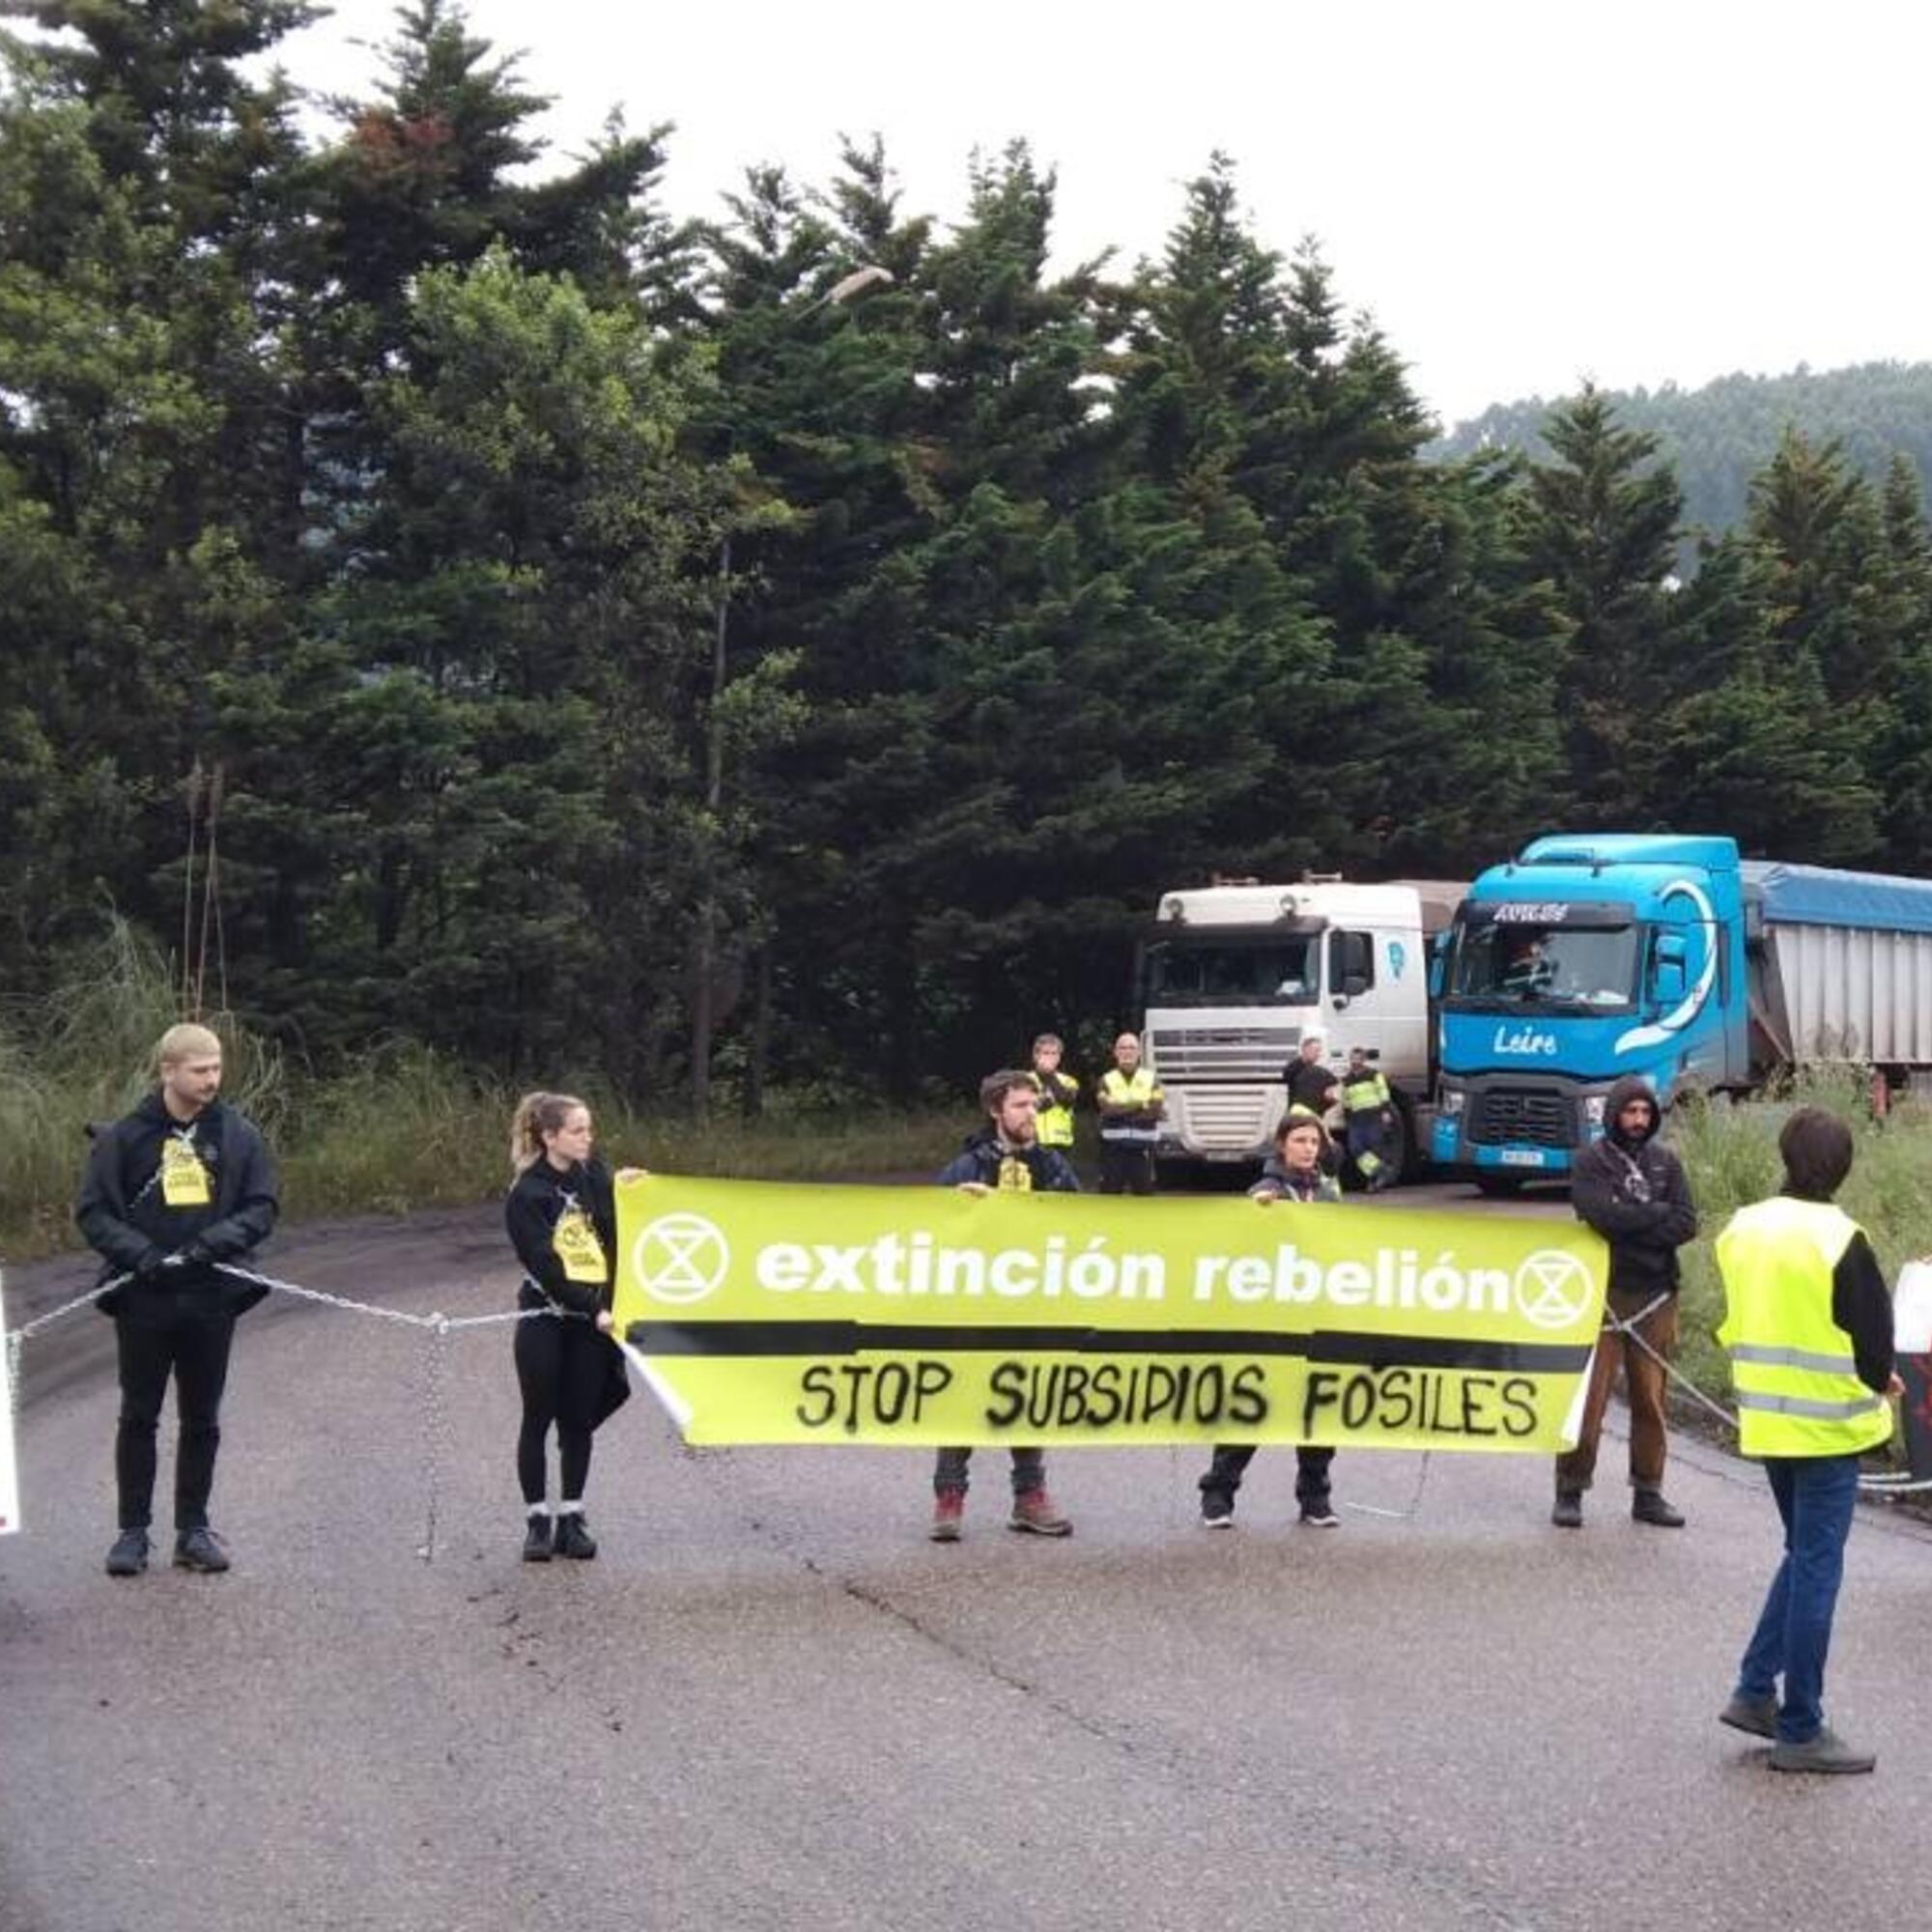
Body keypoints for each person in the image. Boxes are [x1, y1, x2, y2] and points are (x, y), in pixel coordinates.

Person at [1715, 1106, 1897, 1775]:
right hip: (1828, 1427)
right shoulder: (1840, 1238)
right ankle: (1801, 1726)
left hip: (1767, 1420)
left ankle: (1755, 1691)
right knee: (1818, 1568)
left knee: (1801, 1556)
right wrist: (1885, 1382)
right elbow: (1875, 1348)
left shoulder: (1744, 1228)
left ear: (1787, 1156)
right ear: (1843, 1166)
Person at [77, 1022, 279, 1577]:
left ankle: (192, 1529)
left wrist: (213, 1245)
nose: (212, 1079)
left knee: (202, 1417)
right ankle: (132, 1533)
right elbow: (92, 1212)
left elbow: (262, 1207)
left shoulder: (237, 1135)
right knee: (139, 1414)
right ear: (169, 1071)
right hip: (144, 1297)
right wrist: (139, 1253)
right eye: (200, 1069)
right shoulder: (125, 1137)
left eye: (216, 1068)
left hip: (211, 1294)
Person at [930, 1070, 1079, 1542]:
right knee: (964, 1396)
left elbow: (1083, 1221)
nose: (1030, 1114)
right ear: (996, 1110)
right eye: (1020, 1106)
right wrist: (964, 1209)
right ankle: (949, 1497)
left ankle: (1029, 1498)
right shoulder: (966, 1166)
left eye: (1034, 1106)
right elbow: (930, 1227)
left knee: (1027, 1394)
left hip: (1034, 1300)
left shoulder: (1053, 1166)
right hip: (976, 1304)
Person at [1552, 1075, 1698, 1529]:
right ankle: (1571, 1487)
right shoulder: (1590, 1163)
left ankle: (1649, 1490)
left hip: (1656, 1295)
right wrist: (1652, 1218)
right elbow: (1600, 1215)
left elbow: (1686, 1222)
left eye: (1643, 1113)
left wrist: (1636, 1226)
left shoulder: (1666, 1163)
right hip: (1602, 1295)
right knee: (1590, 1399)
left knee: (1650, 1398)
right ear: (1614, 1113)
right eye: (1629, 1112)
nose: (1636, 1121)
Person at [1197, 1113, 1342, 1529]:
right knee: (1252, 1408)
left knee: (1318, 1413)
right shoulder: (1265, 1192)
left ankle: (1315, 1498)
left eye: (1314, 1142)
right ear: (1282, 1145)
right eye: (1300, 1140)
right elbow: (1239, 1245)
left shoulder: (1329, 1195)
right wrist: (1254, 1215)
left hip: (1318, 1316)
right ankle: (1218, 1493)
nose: (1308, 1148)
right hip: (1272, 1318)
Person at [505, 1093, 634, 1563]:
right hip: (547, 1318)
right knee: (538, 1416)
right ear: (550, 1136)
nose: (588, 1138)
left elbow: (617, 1223)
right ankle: (537, 1519)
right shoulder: (527, 1194)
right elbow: (544, 1264)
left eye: (589, 1129)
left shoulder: (592, 1175)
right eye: (578, 1131)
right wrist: (590, 1307)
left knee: (579, 1419)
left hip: (589, 1323)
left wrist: (631, 1189)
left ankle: (572, 1517)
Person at [1095, 1032, 1163, 1195]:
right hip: (1113, 1150)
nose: (1127, 1051)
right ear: (1116, 1052)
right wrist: (1141, 1104)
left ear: (1139, 1052)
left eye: (1132, 1047)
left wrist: (1121, 1109)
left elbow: (1155, 1110)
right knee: (1109, 1199)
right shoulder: (1105, 1080)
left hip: (1143, 1150)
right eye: (1122, 1047)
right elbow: (1108, 1110)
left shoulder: (1152, 1079)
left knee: (1145, 1200)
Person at [1339, 1045, 1399, 1192]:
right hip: (1356, 1118)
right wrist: (1347, 1116)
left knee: (1374, 1149)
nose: (1355, 1061)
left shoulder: (1374, 1074)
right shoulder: (1347, 1079)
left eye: (1358, 1058)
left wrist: (1385, 1111)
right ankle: (1380, 1170)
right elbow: (1345, 1099)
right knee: (1355, 1148)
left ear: (1364, 1060)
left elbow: (1383, 1092)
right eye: (1353, 1058)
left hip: (1374, 1115)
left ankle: (1373, 1182)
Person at [1029, 1033, 1079, 1155]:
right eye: (1045, 1053)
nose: (1050, 1057)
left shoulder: (1069, 1081)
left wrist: (1049, 1074)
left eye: (1054, 1054)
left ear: (1059, 1058)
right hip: (1032, 1142)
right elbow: (1031, 1107)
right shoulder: (1025, 1080)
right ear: (1036, 1056)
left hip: (1061, 1143)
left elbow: (1067, 1101)